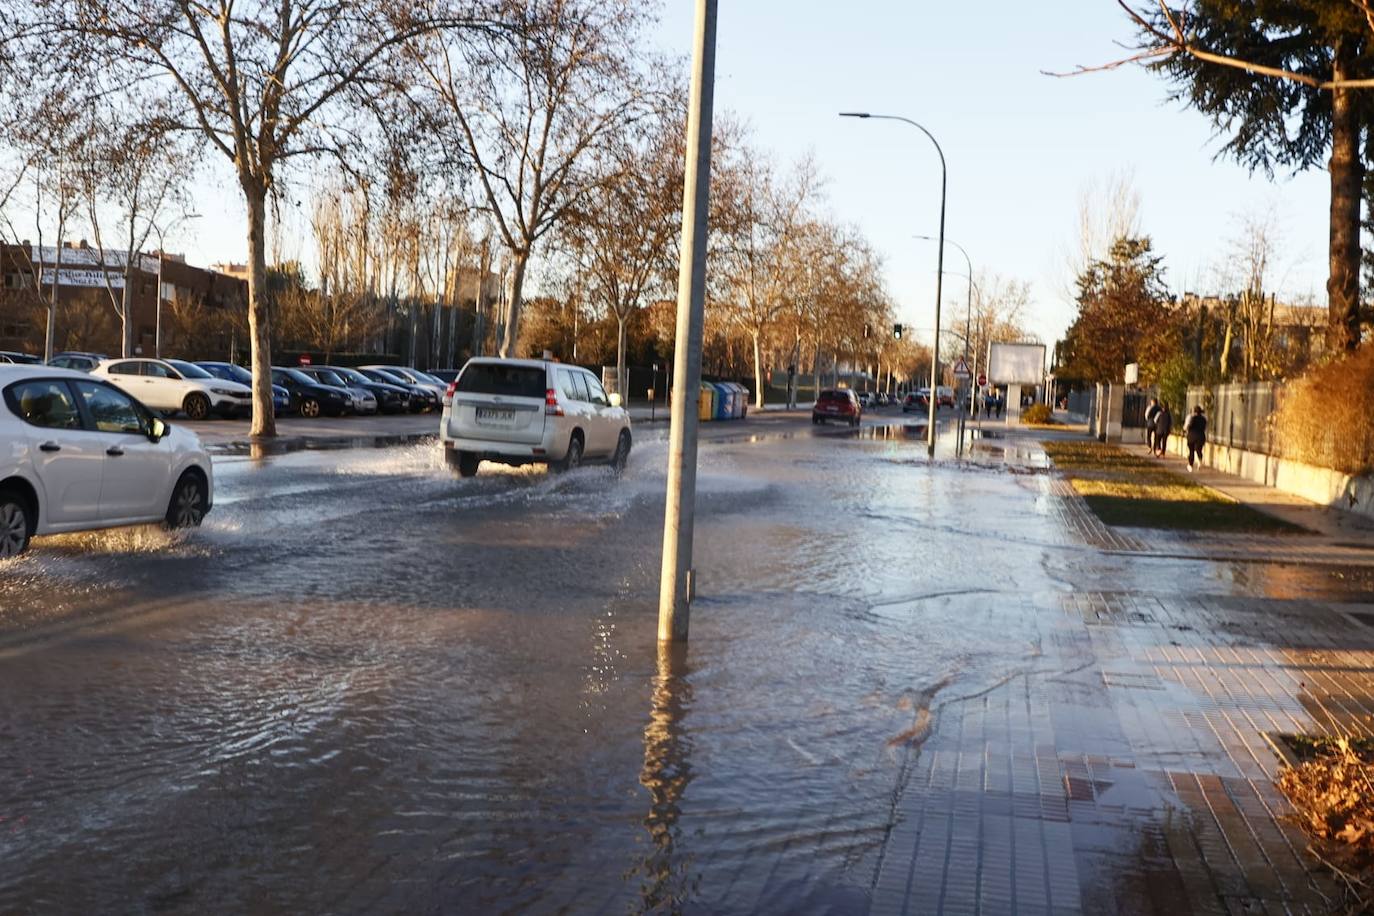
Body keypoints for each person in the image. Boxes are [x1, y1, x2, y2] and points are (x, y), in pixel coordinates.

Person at [1184, 405, 1207, 471]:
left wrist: (1186, 429)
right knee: (1199, 449)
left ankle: (1190, 465)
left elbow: (1188, 426)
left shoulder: (1192, 418)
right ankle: (1200, 460)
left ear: (1194, 411)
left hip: (1192, 436)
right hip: (1201, 436)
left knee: (1191, 451)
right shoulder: (1204, 419)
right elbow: (1204, 427)